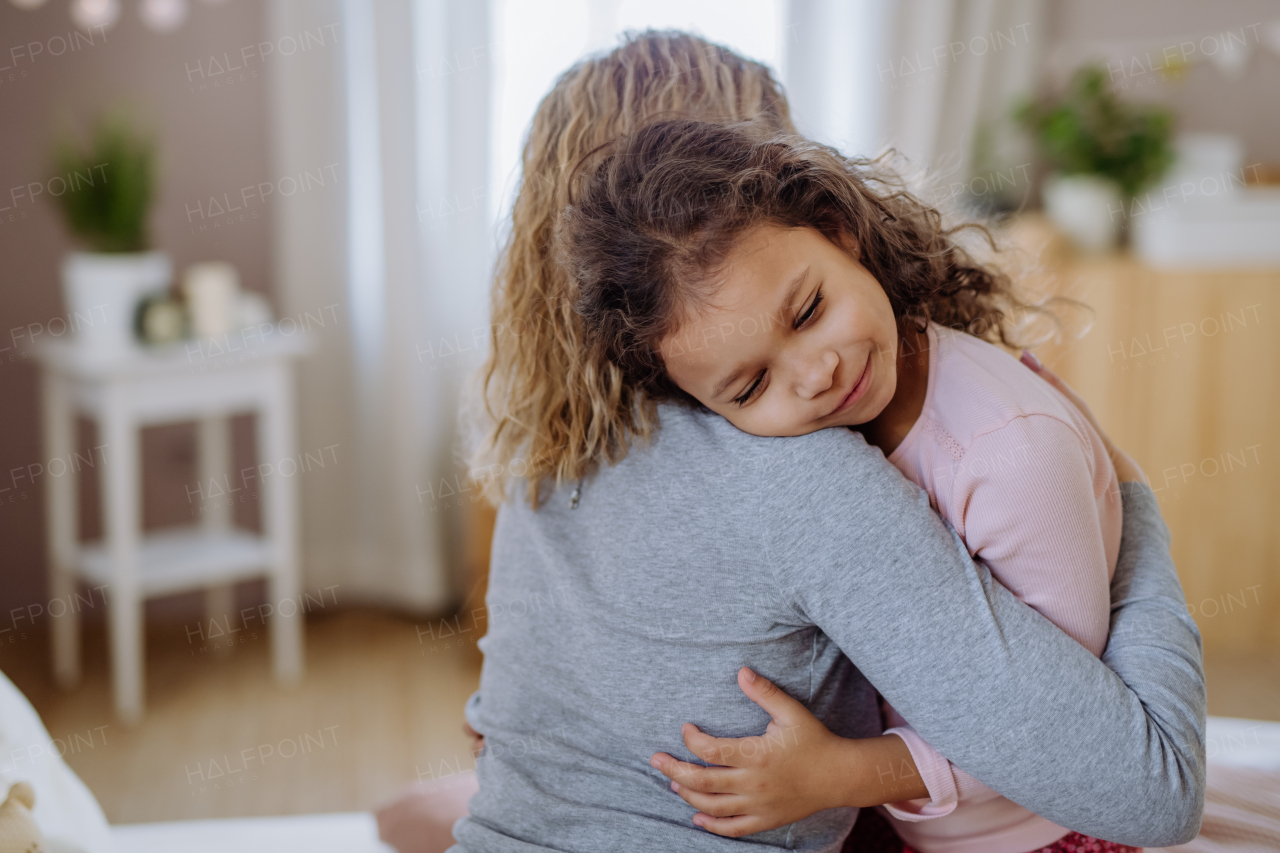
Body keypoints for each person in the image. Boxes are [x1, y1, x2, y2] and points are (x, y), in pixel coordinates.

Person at [376, 31, 1204, 853]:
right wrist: (1129, 491)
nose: (809, 375)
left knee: (414, 810)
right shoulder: (805, 468)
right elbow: (1151, 792)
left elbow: (490, 732)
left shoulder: (539, 451)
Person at [554, 118, 1133, 853]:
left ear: (838, 231)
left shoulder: (1012, 456)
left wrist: (840, 775)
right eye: (753, 383)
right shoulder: (790, 451)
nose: (815, 373)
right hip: (890, 818)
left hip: (1032, 834)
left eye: (807, 311)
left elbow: (1059, 729)